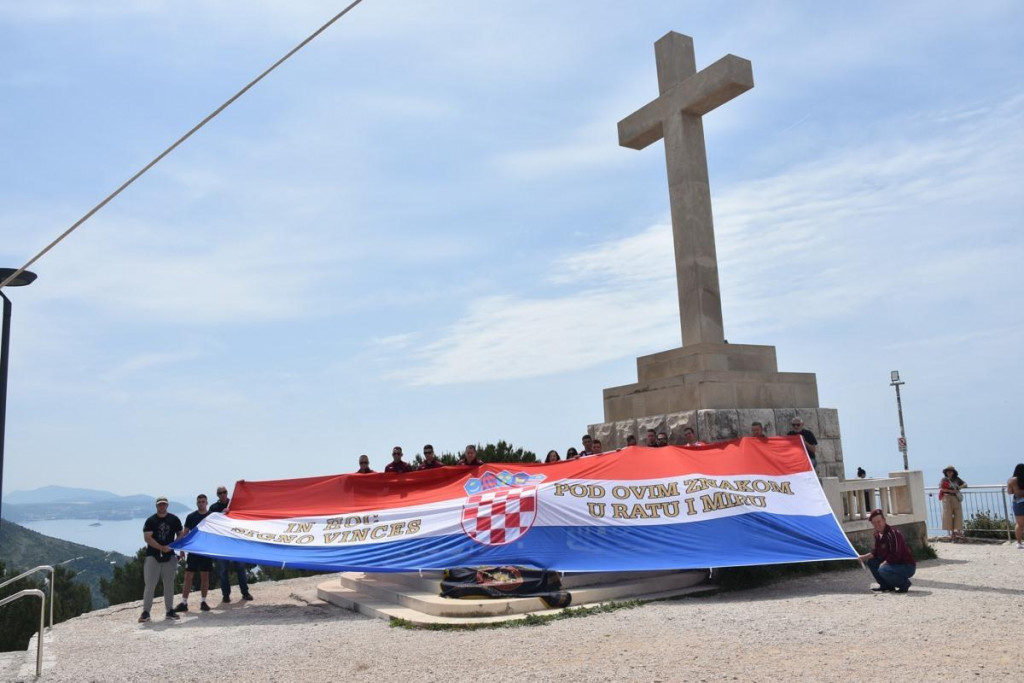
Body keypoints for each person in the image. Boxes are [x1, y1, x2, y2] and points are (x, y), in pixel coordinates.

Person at [138, 496, 183, 623]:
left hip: (170, 556)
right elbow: (147, 537)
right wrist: (161, 547)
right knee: (150, 585)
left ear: (167, 505)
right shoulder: (151, 520)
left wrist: (172, 546)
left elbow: (180, 534)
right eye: (160, 504)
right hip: (153, 556)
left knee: (169, 585)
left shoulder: (174, 519)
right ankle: (146, 612)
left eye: (164, 504)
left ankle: (170, 611)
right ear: (156, 506)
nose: (162, 506)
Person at [209, 486, 253, 603]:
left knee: (241, 568)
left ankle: (245, 592)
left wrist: (243, 486)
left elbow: (244, 514)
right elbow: (212, 523)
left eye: (224, 492)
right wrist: (221, 515)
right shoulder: (213, 508)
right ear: (217, 495)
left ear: (227, 493)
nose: (223, 494)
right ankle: (226, 595)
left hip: (236, 541)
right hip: (222, 543)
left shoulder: (234, 504)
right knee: (223, 571)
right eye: (220, 493)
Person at [857, 509, 916, 593]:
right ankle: (886, 586)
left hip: (906, 565)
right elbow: (875, 552)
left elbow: (896, 554)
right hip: (893, 564)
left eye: (879, 521)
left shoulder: (893, 533)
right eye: (874, 523)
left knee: (883, 569)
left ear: (884, 520)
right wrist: (864, 557)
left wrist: (884, 563)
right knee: (871, 562)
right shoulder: (877, 535)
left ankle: (904, 584)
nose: (877, 524)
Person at [175, 494, 212, 613]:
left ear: (207, 503)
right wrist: (181, 548)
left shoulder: (211, 516)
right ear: (197, 503)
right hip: (193, 551)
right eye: (199, 502)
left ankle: (203, 601)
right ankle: (184, 603)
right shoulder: (191, 517)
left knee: (205, 576)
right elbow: (185, 533)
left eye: (203, 501)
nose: (201, 503)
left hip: (206, 551)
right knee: (188, 576)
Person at [939, 465, 967, 542]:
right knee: (948, 515)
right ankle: (952, 533)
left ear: (953, 472)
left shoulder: (957, 479)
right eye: (948, 471)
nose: (949, 473)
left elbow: (965, 484)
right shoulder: (944, 479)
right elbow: (941, 488)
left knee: (958, 514)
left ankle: (958, 531)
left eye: (951, 471)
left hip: (955, 498)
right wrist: (951, 491)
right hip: (947, 498)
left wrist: (959, 487)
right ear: (946, 472)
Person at [1008, 463, 1024, 549]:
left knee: (1019, 524)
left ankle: (1019, 543)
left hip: (1017, 502)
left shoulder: (1012, 480)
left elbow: (1010, 492)